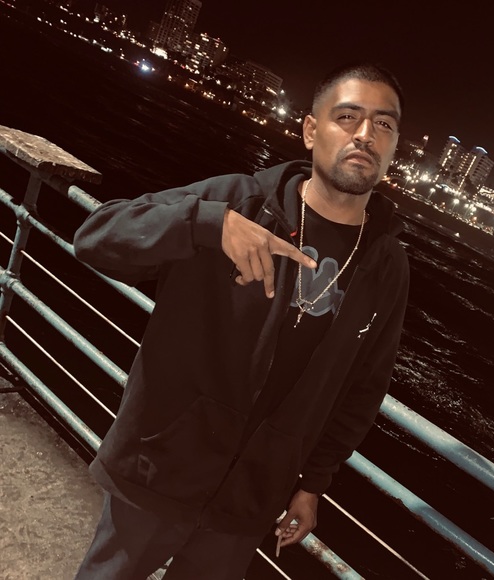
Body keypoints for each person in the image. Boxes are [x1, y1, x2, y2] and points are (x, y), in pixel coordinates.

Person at [73, 61, 410, 579]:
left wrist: (312, 485)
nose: (365, 134)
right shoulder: (239, 201)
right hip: (160, 464)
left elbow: (363, 388)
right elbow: (97, 237)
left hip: (250, 500)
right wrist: (208, 224)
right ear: (311, 130)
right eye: (347, 116)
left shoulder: (386, 266)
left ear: (393, 148)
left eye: (383, 124)